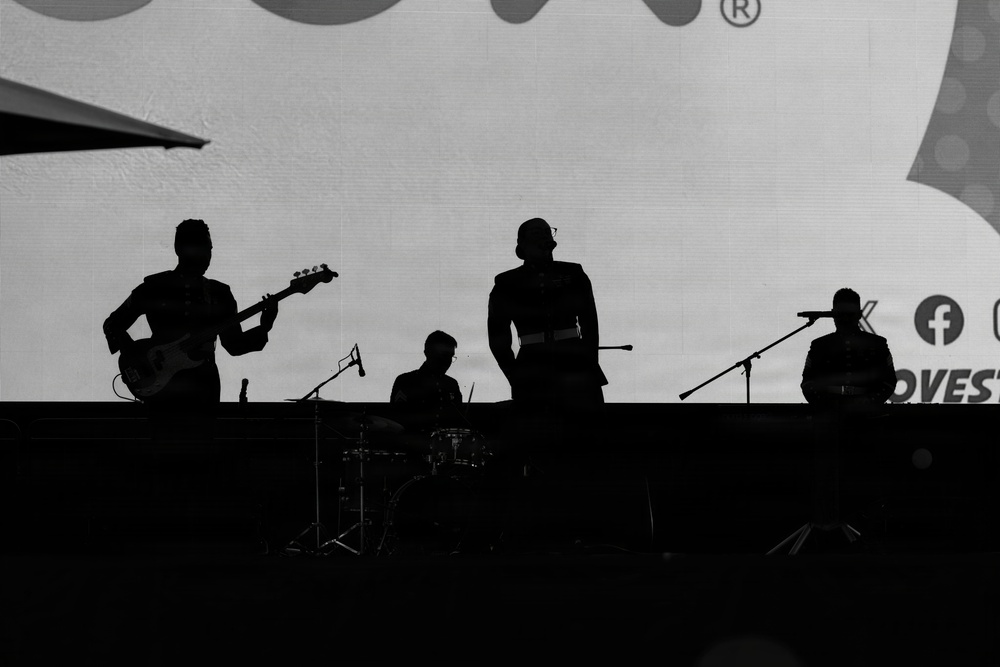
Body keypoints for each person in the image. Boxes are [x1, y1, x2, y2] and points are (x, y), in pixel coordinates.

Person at [103, 219, 278, 440]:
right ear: (180, 249)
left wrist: (265, 326)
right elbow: (112, 324)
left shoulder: (219, 293)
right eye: (203, 248)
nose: (208, 255)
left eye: (209, 249)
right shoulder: (155, 286)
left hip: (202, 392)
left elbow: (234, 345)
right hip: (162, 392)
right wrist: (137, 360)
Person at [487, 218, 607, 415]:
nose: (543, 235)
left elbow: (590, 324)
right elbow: (498, 338)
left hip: (575, 364)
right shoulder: (507, 283)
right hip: (532, 368)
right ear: (523, 244)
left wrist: (588, 364)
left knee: (584, 432)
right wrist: (516, 377)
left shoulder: (573, 273)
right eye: (536, 232)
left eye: (547, 231)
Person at [800, 288, 897, 411]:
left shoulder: (877, 344)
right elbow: (808, 383)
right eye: (840, 314)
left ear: (860, 314)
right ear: (833, 314)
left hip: (867, 414)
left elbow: (888, 382)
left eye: (850, 314)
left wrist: (871, 402)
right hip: (828, 414)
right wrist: (824, 405)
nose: (845, 319)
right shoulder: (820, 345)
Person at [389, 330, 464, 432]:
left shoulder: (452, 384)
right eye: (444, 355)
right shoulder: (405, 381)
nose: (448, 361)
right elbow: (397, 420)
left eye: (451, 357)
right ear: (428, 353)